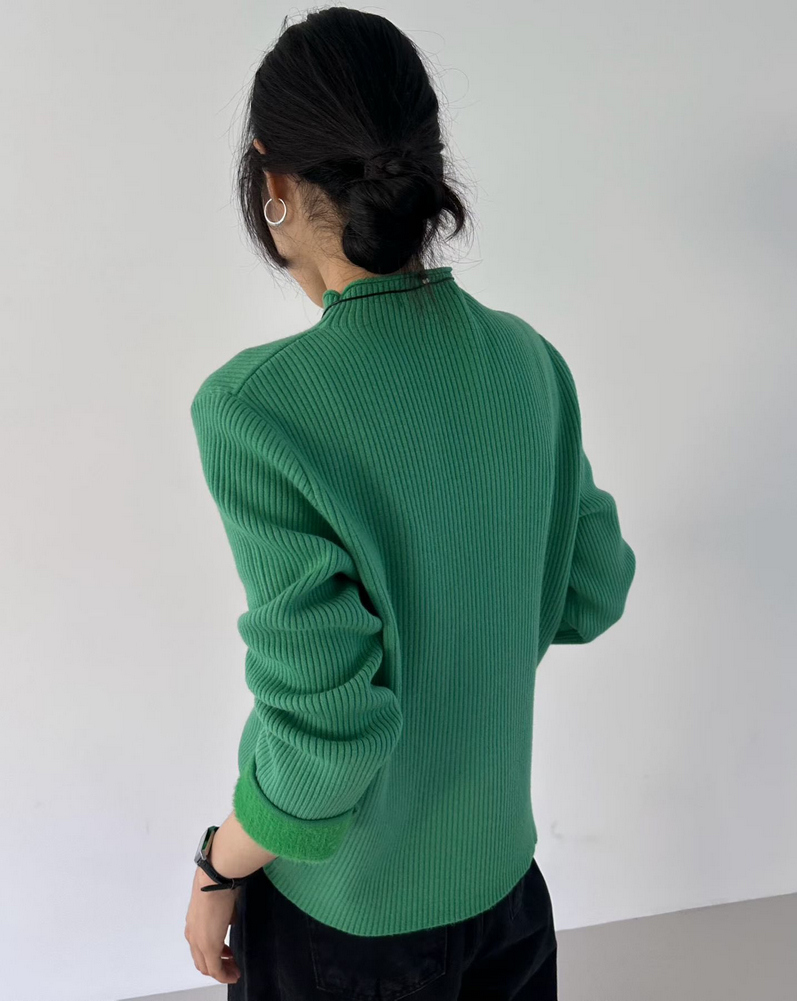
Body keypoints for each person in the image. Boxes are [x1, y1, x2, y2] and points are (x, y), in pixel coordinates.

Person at [184, 7, 636, 999]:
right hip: (505, 892)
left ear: (272, 182)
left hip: (346, 924)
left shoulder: (257, 409)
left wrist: (216, 864)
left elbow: (325, 740)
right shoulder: (528, 361)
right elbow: (591, 587)